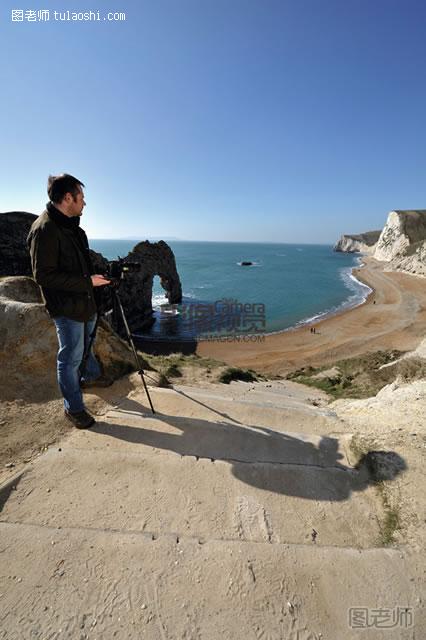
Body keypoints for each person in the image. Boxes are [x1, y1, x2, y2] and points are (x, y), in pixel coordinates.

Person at [27, 174, 111, 429]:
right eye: (81, 198)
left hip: (85, 302)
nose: (84, 203)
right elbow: (43, 275)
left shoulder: (72, 225)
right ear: (67, 198)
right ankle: (73, 409)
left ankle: (89, 376)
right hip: (66, 308)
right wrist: (89, 282)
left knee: (86, 343)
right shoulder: (45, 230)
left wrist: (99, 275)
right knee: (70, 358)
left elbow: (78, 264)